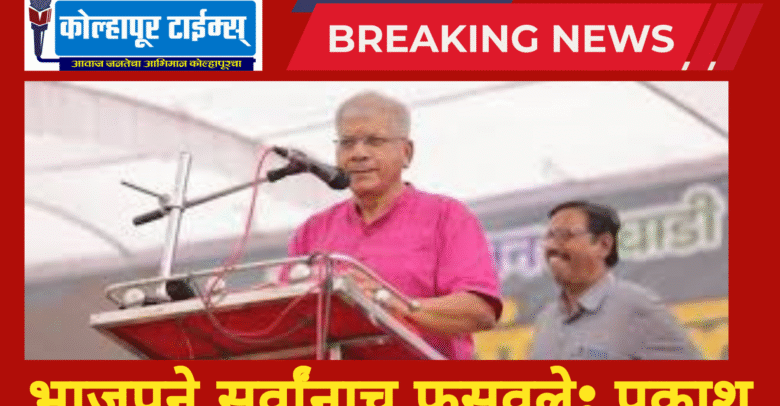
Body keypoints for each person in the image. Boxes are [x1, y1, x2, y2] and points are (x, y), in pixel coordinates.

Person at [287, 91, 502, 359]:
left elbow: (480, 311)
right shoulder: (312, 232)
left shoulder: (447, 217)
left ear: (406, 153)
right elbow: (286, 319)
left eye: (374, 141)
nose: (358, 154)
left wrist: (387, 300)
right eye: (347, 143)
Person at [529, 201, 700, 360]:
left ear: (604, 245)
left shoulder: (636, 309)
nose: (551, 246)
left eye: (565, 235)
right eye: (549, 236)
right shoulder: (547, 319)